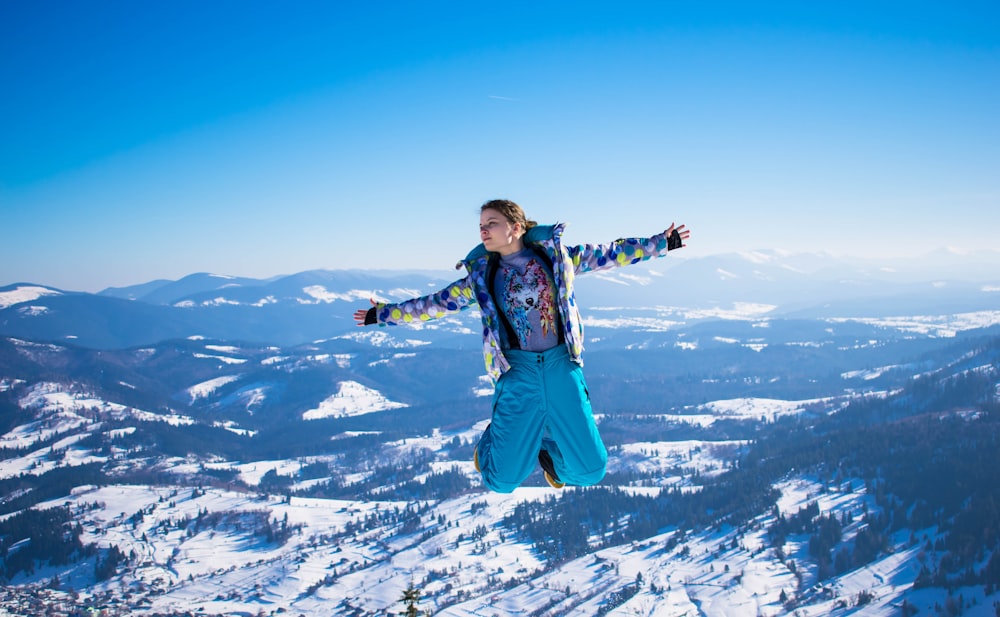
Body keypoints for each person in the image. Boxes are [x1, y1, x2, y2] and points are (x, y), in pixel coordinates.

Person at [353, 199, 690, 493]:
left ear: (515, 227)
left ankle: (549, 457)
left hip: (562, 367)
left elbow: (611, 253)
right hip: (518, 373)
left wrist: (663, 242)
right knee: (500, 481)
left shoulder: (557, 258)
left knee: (591, 470)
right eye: (481, 225)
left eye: (491, 223)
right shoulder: (482, 276)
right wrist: (381, 314)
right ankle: (494, 438)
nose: (483, 230)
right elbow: (434, 305)